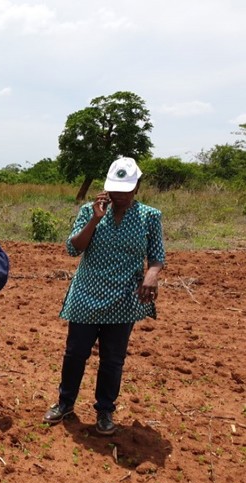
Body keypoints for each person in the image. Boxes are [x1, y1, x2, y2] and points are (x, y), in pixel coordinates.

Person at [43, 157, 165, 436]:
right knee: (75, 353)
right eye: (114, 190)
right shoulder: (91, 210)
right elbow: (73, 249)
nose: (118, 196)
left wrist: (152, 275)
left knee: (113, 359)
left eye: (125, 190)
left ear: (137, 187)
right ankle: (65, 403)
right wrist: (95, 220)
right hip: (86, 294)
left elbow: (157, 257)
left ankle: (105, 410)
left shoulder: (150, 216)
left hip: (124, 296)